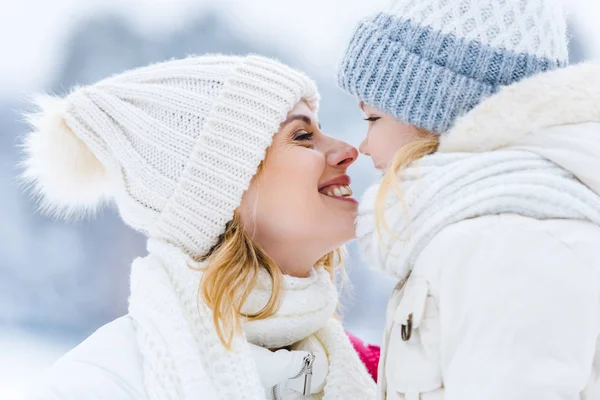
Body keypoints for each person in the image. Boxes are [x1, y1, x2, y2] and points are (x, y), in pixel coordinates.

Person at [22, 54, 376, 400]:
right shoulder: (103, 383)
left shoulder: (383, 372)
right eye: (301, 136)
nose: (348, 150)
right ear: (222, 191)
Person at [336, 0, 600, 398]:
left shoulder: (505, 243)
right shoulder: (489, 236)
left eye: (373, 119)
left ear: (434, 110)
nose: (363, 145)